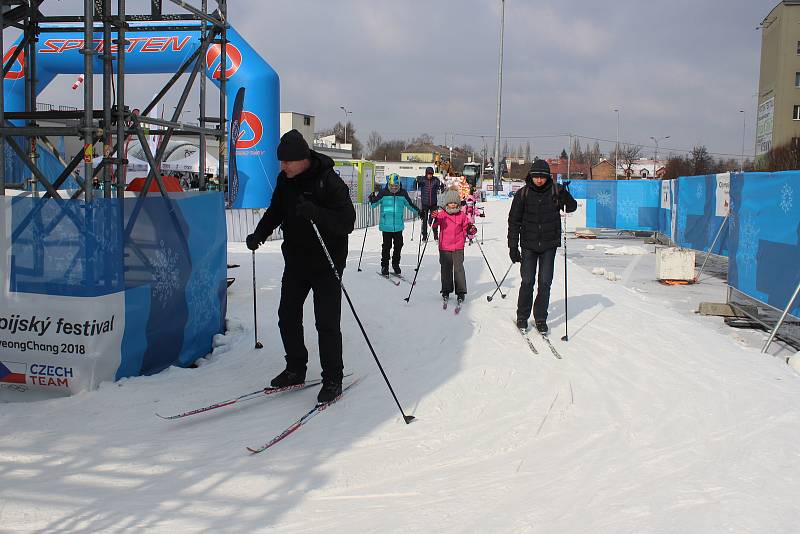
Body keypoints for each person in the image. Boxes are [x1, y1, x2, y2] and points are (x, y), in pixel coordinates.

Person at [246, 129, 356, 403]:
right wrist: (259, 234)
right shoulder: (286, 181)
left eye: (287, 161)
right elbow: (275, 211)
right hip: (296, 261)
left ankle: (333, 378)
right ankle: (296, 367)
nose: (282, 166)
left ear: (302, 158)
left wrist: (317, 213)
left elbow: (347, 222)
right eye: (280, 162)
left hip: (327, 262)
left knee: (326, 322)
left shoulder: (329, 182)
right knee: (288, 315)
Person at [507, 159, 577, 333]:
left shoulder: (556, 191)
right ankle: (522, 316)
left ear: (547, 177)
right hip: (529, 245)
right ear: (531, 176)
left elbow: (572, 207)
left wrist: (566, 197)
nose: (539, 180)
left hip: (549, 244)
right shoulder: (522, 194)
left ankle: (540, 318)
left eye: (542, 177)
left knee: (545, 282)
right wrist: (513, 247)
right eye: (536, 176)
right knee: (527, 281)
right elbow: (514, 222)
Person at [369, 173, 421, 276]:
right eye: (392, 186)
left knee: (398, 246)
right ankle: (384, 266)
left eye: (396, 186)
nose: (394, 188)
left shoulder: (402, 193)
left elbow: (409, 205)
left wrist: (419, 212)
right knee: (386, 247)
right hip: (386, 225)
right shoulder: (383, 193)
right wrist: (371, 199)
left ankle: (395, 264)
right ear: (389, 183)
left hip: (398, 226)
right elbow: (374, 205)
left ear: (399, 184)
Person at [431, 189, 476, 306]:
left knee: (458, 269)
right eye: (450, 203)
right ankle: (446, 290)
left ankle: (461, 291)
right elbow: (434, 225)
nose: (452, 204)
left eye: (454, 202)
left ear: (458, 203)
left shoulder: (461, 215)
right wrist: (434, 218)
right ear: (446, 203)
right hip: (444, 247)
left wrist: (470, 228)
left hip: (458, 246)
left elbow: (467, 225)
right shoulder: (442, 215)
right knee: (446, 269)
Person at [415, 166, 444, 241]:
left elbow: (440, 188)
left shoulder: (435, 180)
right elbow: (415, 187)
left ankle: (435, 236)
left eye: (431, 174)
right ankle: (424, 236)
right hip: (425, 203)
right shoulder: (422, 180)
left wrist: (442, 186)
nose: (430, 175)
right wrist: (416, 181)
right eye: (428, 174)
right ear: (426, 174)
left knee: (434, 219)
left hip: (433, 204)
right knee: (424, 220)